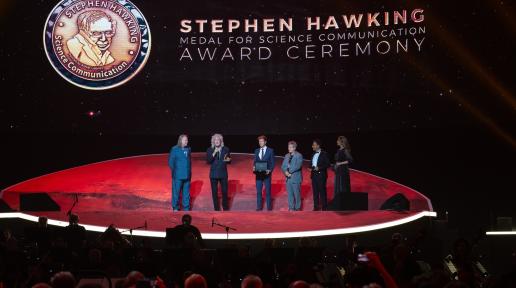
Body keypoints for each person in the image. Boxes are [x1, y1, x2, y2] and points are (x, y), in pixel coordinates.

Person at [206, 133, 231, 211]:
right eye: (215, 140)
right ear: (213, 141)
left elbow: (228, 161)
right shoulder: (210, 149)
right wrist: (214, 153)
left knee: (224, 191)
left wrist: (229, 160)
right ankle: (216, 209)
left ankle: (225, 208)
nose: (217, 141)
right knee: (214, 192)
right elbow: (208, 161)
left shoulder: (226, 149)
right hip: (213, 175)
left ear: (221, 141)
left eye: (218, 140)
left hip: (223, 174)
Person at [169, 134, 192, 211]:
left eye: (187, 140)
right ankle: (175, 207)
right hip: (178, 176)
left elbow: (189, 161)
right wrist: (176, 172)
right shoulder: (174, 149)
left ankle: (186, 208)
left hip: (187, 175)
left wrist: (189, 172)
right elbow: (171, 162)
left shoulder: (188, 149)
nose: (187, 141)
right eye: (185, 140)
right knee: (176, 193)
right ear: (181, 140)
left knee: (186, 193)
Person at [330, 136, 354, 210]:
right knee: (338, 186)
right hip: (338, 171)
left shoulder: (345, 150)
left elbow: (350, 160)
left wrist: (340, 163)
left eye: (338, 140)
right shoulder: (338, 150)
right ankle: (338, 203)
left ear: (341, 142)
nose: (337, 141)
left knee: (342, 186)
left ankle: (344, 203)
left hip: (343, 171)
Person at [253, 135, 275, 211]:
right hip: (258, 174)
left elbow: (272, 163)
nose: (260, 142)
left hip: (267, 174)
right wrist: (254, 167)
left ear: (265, 142)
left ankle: (269, 208)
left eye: (262, 141)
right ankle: (259, 207)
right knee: (259, 192)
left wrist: (270, 170)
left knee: (268, 191)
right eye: (259, 141)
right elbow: (255, 161)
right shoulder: (256, 151)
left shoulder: (270, 150)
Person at [281, 141, 303, 211]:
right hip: (288, 178)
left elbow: (298, 166)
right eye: (288, 147)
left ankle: (297, 208)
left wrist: (289, 171)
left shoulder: (299, 155)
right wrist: (285, 172)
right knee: (290, 195)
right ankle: (291, 208)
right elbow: (283, 166)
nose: (289, 148)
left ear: (294, 148)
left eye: (290, 147)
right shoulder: (287, 155)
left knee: (297, 195)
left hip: (295, 178)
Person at [308, 139, 330, 211]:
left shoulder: (324, 154)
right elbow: (311, 164)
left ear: (318, 145)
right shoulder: (313, 154)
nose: (312, 146)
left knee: (322, 191)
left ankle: (324, 207)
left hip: (321, 175)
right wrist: (310, 168)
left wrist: (319, 168)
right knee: (315, 192)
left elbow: (327, 164)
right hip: (314, 175)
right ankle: (316, 207)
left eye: (314, 145)